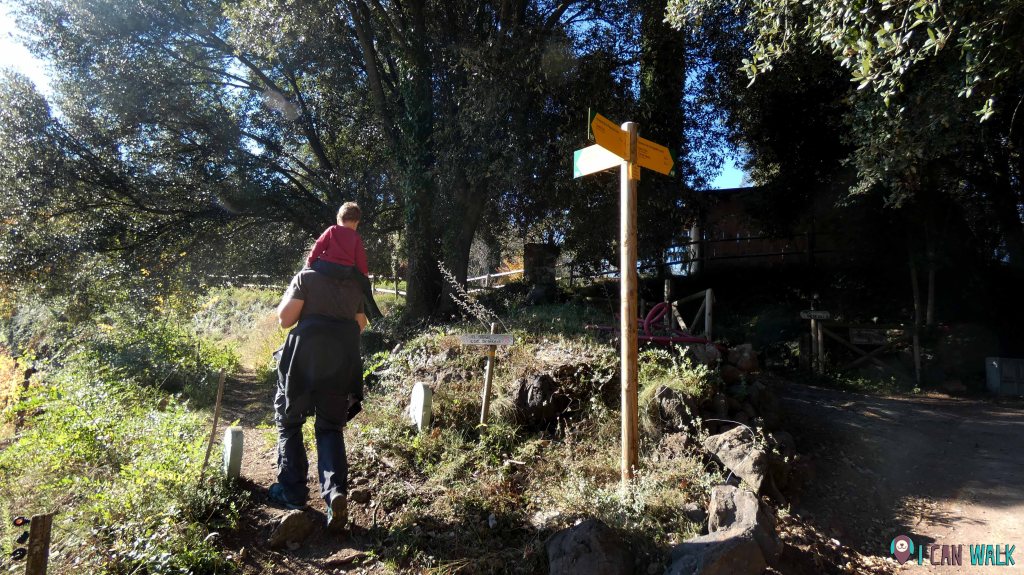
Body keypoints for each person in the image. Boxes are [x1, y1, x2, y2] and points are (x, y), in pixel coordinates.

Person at [268, 266, 367, 533]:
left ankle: (292, 492)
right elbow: (360, 324)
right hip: (340, 365)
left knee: (289, 423)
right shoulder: (354, 283)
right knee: (330, 428)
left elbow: (285, 319)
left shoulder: (306, 278)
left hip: (301, 364)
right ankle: (335, 493)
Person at [306, 202, 383, 319]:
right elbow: (360, 257)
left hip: (326, 267)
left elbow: (319, 246)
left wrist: (310, 261)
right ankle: (375, 318)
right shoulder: (355, 236)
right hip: (346, 270)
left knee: (309, 267)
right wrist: (364, 273)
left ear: (339, 219)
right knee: (364, 285)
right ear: (356, 222)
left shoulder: (332, 230)